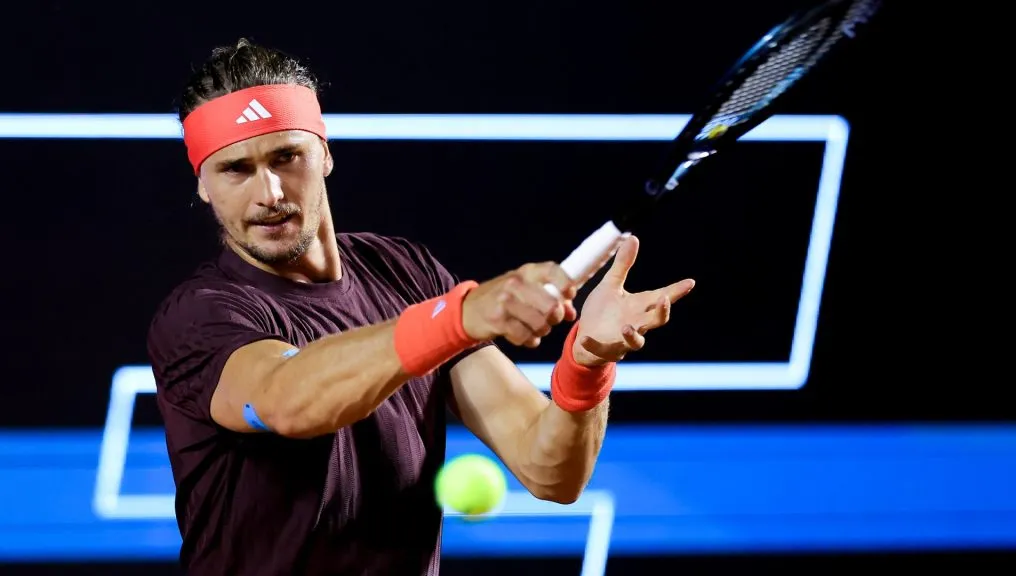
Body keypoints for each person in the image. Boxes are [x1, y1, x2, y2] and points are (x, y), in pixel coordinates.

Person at [146, 38, 695, 576]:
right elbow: (287, 400)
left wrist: (589, 360)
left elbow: (549, 471)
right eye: (235, 169)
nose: (268, 192)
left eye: (287, 157)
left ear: (326, 154)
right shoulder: (199, 316)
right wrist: (457, 318)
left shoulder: (405, 272)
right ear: (204, 185)